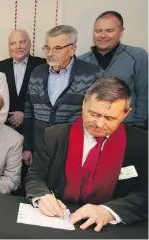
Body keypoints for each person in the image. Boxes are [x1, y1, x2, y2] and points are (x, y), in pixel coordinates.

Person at [25, 77, 148, 231]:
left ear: (125, 114)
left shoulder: (142, 143)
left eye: (109, 118)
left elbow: (145, 194)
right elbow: (35, 176)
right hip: (60, 219)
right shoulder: (55, 136)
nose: (99, 124)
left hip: (111, 228)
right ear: (83, 103)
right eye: (94, 114)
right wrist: (42, 196)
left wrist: (108, 211)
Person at [22, 25, 103, 168]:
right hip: (41, 148)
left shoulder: (92, 74)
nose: (50, 53)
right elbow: (28, 112)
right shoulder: (37, 73)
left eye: (57, 48)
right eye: (47, 48)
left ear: (72, 49)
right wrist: (27, 146)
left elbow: (99, 114)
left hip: (75, 148)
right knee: (38, 186)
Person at [79, 11, 148, 130]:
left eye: (109, 31)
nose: (103, 35)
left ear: (121, 32)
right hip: (91, 129)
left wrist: (139, 126)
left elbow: (144, 94)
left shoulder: (137, 56)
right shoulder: (81, 61)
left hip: (127, 127)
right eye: (98, 31)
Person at [0, 30, 46, 132]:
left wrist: (25, 115)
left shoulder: (43, 66)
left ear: (29, 43)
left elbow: (46, 98)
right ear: (9, 46)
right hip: (3, 127)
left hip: (33, 127)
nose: (18, 47)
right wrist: (8, 115)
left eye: (22, 42)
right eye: (13, 43)